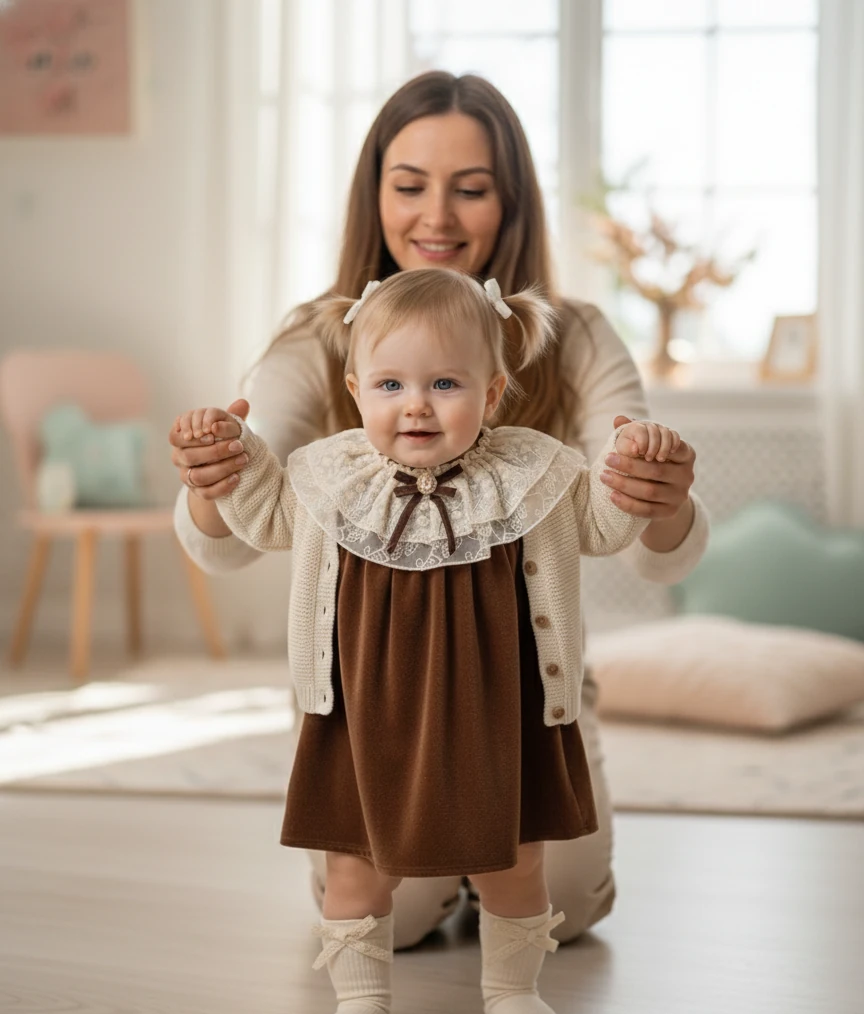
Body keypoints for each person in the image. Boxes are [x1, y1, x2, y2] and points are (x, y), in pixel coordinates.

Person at [170, 71, 708, 953]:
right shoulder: (316, 335)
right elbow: (244, 524)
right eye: (410, 184)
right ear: (374, 191)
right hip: (374, 703)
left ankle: (493, 867)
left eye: (472, 189)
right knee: (395, 921)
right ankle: (446, 875)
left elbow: (645, 546)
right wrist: (212, 477)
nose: (438, 218)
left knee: (558, 909)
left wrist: (662, 499)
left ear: (512, 201)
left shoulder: (572, 336)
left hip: (529, 699)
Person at [172, 268, 685, 1014]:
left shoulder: (533, 470)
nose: (416, 403)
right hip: (363, 714)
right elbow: (259, 511)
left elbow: (606, 522)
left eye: (446, 382)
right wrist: (224, 451)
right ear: (355, 389)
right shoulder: (327, 474)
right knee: (355, 867)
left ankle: (512, 988)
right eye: (390, 383)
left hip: (500, 710)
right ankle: (361, 1000)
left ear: (494, 389)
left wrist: (640, 467)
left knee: (517, 860)